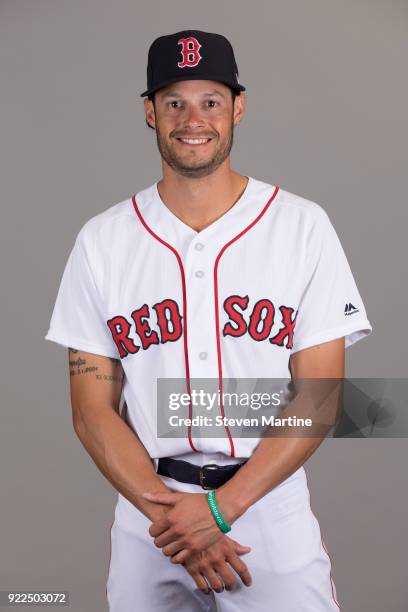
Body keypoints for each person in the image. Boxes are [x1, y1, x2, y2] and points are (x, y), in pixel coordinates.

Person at [45, 29, 373, 611]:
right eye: (174, 102)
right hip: (152, 515)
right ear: (149, 112)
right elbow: (90, 409)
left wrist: (220, 509)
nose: (192, 119)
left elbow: (321, 396)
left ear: (237, 108)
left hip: (267, 506)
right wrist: (174, 522)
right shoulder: (102, 241)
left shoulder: (301, 226)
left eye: (211, 102)